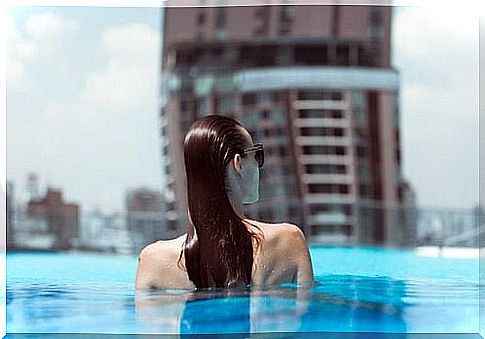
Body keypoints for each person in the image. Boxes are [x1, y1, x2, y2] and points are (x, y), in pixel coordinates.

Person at [135, 114, 314, 290]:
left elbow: (147, 318)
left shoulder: (153, 262)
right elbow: (306, 314)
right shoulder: (289, 241)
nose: (259, 164)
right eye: (256, 154)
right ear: (238, 164)